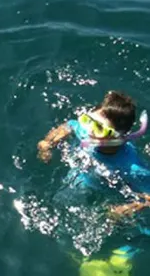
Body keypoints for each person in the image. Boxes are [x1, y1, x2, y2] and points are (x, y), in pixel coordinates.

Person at [38, 90, 150, 223]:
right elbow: (70, 125)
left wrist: (128, 208)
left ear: (117, 137)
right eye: (89, 121)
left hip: (100, 193)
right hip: (76, 181)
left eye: (99, 129)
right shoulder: (86, 132)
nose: (90, 130)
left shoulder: (132, 167)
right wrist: (47, 143)